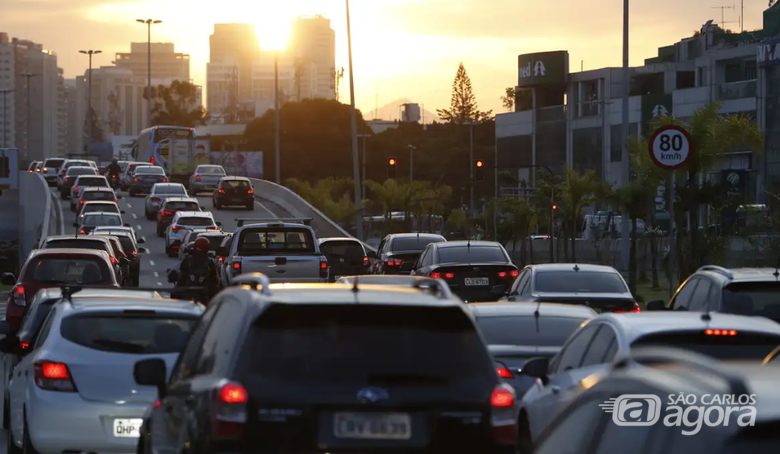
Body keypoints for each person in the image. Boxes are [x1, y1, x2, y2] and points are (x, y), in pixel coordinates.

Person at [174, 237, 219, 303]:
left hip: (196, 293)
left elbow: (181, 277)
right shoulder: (209, 261)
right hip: (200, 294)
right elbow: (215, 279)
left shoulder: (187, 260)